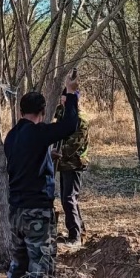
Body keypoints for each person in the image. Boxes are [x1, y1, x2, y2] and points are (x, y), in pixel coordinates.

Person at [4, 74, 80, 278]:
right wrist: (71, 94)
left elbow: (25, 160)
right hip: (36, 211)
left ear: (20, 111)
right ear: (43, 112)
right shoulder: (37, 133)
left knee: (19, 263)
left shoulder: (12, 136)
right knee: (42, 268)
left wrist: (47, 154)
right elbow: (69, 126)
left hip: (15, 211)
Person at [52, 94, 90, 250]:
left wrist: (55, 152)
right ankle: (79, 231)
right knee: (67, 198)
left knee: (69, 198)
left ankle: (75, 236)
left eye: (68, 99)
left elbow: (73, 144)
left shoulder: (81, 119)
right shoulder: (61, 114)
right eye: (63, 98)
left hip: (74, 163)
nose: (64, 101)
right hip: (63, 164)